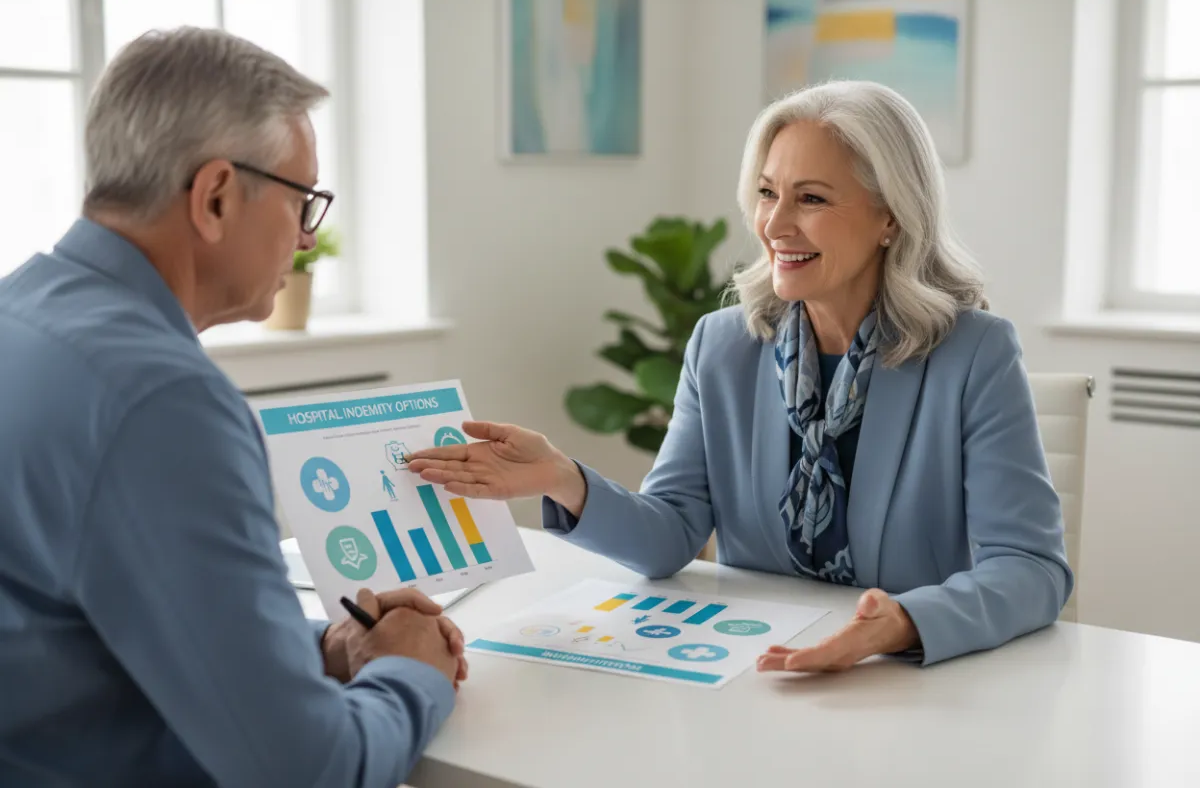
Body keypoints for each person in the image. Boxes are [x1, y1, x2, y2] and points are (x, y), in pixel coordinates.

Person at [408, 80, 1073, 672]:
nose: (774, 224)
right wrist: (564, 480)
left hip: (904, 682)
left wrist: (902, 623)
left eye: (810, 198)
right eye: (766, 193)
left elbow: (1032, 568)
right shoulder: (723, 345)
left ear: (890, 216)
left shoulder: (974, 354)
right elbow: (670, 531)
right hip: (756, 670)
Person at [0, 28, 465, 787]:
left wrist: (321, 648)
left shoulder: (19, 313)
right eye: (302, 201)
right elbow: (309, 771)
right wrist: (414, 673)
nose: (308, 241)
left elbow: (97, 627)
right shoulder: (162, 402)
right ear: (215, 196)